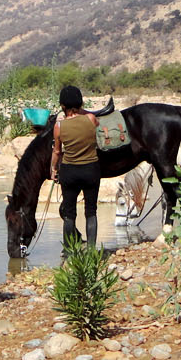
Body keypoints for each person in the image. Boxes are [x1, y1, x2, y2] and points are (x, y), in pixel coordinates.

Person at [50, 85, 101, 249]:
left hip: (70, 172)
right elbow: (96, 124)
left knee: (69, 214)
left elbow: (57, 152)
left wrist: (53, 169)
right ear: (80, 103)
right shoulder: (91, 119)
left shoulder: (59, 127)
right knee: (91, 212)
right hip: (91, 170)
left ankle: (68, 252)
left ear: (62, 106)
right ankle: (92, 252)